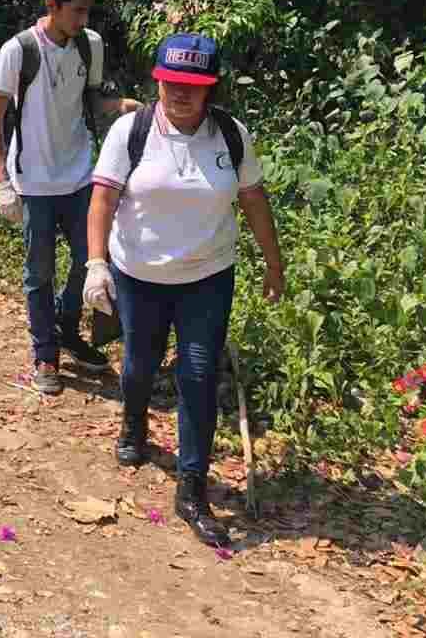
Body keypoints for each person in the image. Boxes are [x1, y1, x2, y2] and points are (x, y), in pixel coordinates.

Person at [84, 32, 284, 548]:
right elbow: (103, 199)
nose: (180, 93)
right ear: (158, 81)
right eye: (171, 82)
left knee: (198, 374)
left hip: (208, 277)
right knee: (138, 366)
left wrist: (273, 263)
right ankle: (134, 424)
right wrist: (95, 263)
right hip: (139, 276)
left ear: (211, 88)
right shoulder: (132, 131)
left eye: (193, 85)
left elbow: (255, 200)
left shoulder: (230, 137)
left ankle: (191, 486)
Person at [0, 0, 139, 395]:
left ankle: (67, 328)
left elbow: (89, 98)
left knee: (88, 260)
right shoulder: (19, 50)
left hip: (79, 174)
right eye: (78, 10)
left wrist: (118, 105)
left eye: (89, 11)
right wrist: (2, 181)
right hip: (33, 181)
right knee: (38, 271)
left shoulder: (90, 45)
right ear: (52, 6)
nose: (84, 19)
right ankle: (45, 353)